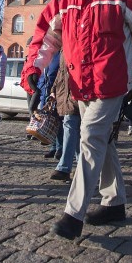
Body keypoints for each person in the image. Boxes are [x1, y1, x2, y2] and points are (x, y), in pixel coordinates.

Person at [22, 0, 132, 240]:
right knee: (103, 141)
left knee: (90, 138)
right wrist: (34, 66)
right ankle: (115, 202)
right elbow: (46, 36)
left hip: (112, 81)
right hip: (80, 83)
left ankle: (73, 213)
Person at [49, 52, 80, 183]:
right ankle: (81, 168)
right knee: (75, 132)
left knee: (71, 127)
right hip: (65, 94)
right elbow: (61, 72)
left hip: (77, 94)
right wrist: (53, 89)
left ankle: (64, 167)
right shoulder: (63, 48)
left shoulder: (75, 43)